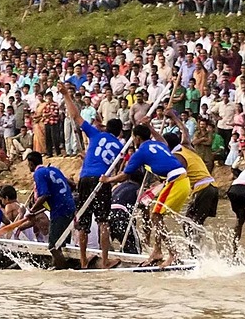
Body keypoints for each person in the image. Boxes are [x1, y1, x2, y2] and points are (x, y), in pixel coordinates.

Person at [107, 123, 189, 267]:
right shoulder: (159, 145)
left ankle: (173, 253)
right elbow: (163, 141)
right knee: (156, 215)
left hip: (176, 180)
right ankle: (158, 250)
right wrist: (151, 128)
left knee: (155, 216)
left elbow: (125, 175)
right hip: (180, 179)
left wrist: (107, 179)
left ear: (137, 138)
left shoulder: (140, 152)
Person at [61, 84, 124, 269]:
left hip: (85, 178)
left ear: (106, 128)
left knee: (83, 221)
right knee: (103, 221)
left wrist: (66, 96)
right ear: (119, 132)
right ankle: (104, 261)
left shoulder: (96, 134)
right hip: (102, 180)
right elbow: (120, 168)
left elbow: (75, 116)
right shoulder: (121, 147)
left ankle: (82, 261)